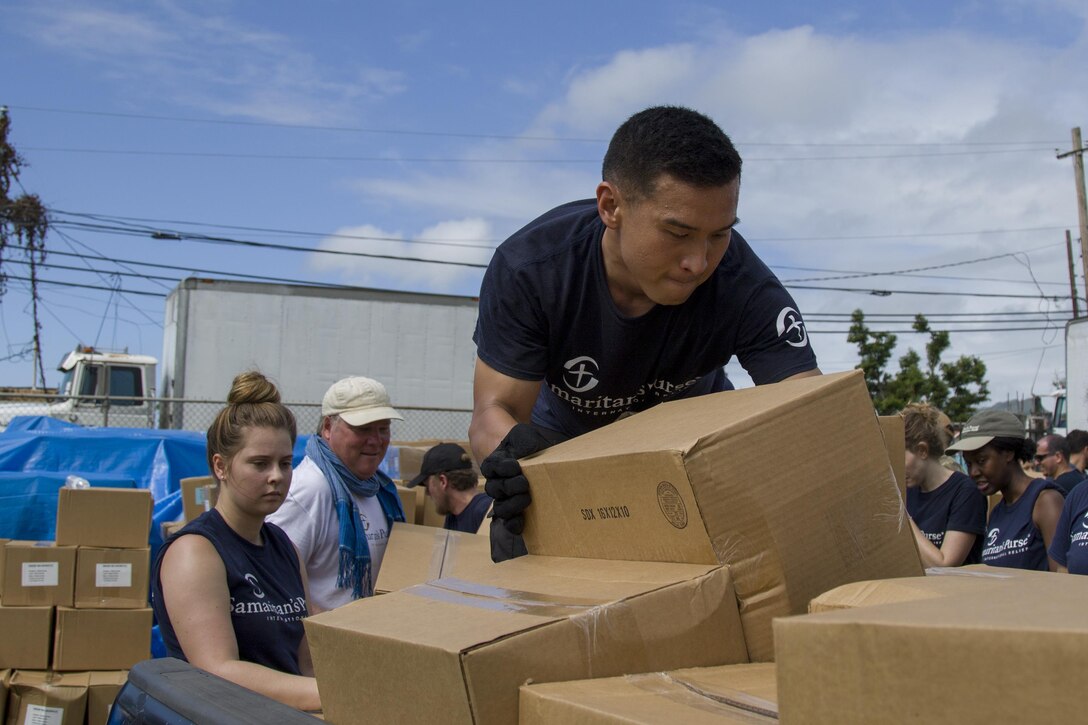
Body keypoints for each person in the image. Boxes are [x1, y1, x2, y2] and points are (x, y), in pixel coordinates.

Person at [470, 106, 820, 560]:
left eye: (719, 234)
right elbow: (492, 412)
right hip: (562, 440)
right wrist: (514, 465)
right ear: (611, 206)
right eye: (678, 232)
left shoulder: (743, 286)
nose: (699, 261)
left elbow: (813, 415)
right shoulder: (532, 270)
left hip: (690, 442)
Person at [152, 372, 320, 711]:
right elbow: (216, 669)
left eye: (286, 463)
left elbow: (305, 659)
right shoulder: (196, 552)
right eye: (260, 463)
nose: (277, 476)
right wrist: (329, 693)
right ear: (221, 466)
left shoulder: (285, 548)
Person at [268, 376, 406, 611]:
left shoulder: (379, 489)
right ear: (328, 428)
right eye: (363, 429)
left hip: (373, 637)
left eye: (383, 429)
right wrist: (331, 631)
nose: (376, 441)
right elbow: (272, 582)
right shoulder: (309, 490)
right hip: (326, 643)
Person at [947, 409, 1065, 571]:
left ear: (1008, 453)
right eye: (968, 464)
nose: (973, 472)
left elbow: (1062, 574)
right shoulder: (996, 512)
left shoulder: (1045, 501)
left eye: (981, 460)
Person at [902, 403, 987, 567]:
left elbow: (945, 564)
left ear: (922, 450)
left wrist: (903, 518)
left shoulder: (966, 492)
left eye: (901, 457)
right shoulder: (909, 491)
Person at [407, 442, 492, 533]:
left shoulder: (486, 512)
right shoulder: (453, 515)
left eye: (428, 486)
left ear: (443, 481)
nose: (427, 493)